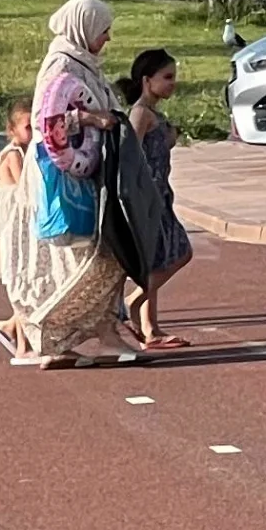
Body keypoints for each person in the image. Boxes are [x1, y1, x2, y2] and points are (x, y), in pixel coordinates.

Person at [0, 0, 132, 369]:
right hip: (62, 181)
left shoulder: (81, 62)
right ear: (84, 27)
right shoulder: (61, 65)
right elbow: (50, 123)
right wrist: (92, 121)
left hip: (87, 175)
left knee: (99, 258)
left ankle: (92, 334)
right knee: (95, 261)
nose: (107, 38)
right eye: (103, 30)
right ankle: (53, 333)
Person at [111, 47, 194, 352]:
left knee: (156, 258)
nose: (173, 83)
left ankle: (151, 328)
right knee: (180, 252)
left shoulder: (154, 113)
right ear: (147, 80)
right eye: (167, 77)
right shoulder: (140, 113)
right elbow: (128, 154)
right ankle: (135, 302)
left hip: (160, 195)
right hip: (147, 200)